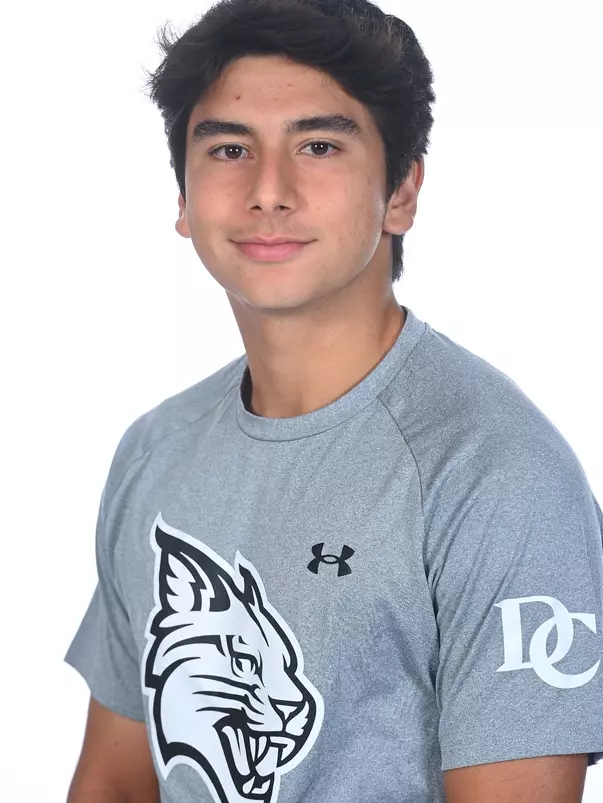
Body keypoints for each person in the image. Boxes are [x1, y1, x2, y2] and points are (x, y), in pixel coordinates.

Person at [64, 1, 603, 801]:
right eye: (228, 147)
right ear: (182, 196)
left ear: (401, 191)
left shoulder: (497, 475)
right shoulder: (156, 449)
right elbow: (115, 780)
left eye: (318, 145)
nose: (268, 191)